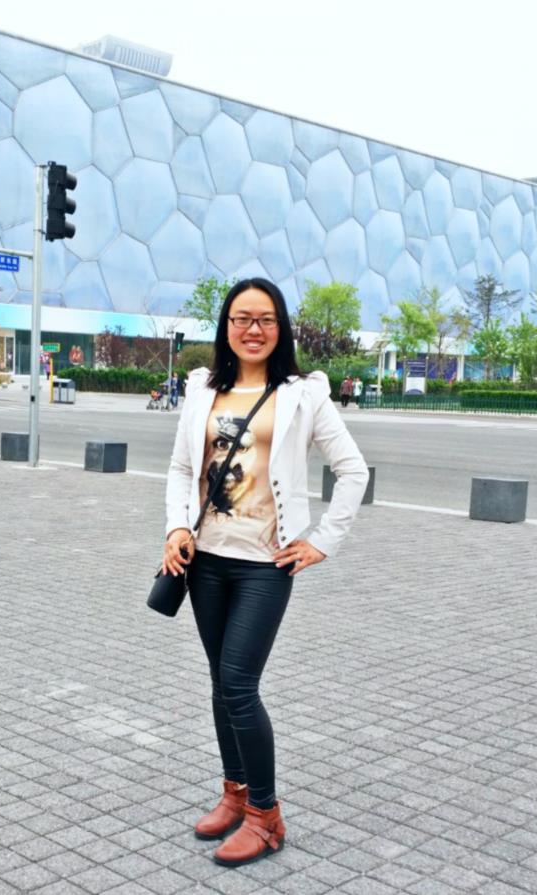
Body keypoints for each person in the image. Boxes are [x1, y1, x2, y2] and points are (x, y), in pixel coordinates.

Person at [163, 277, 369, 868]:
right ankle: (234, 793)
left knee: (238, 685)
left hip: (265, 564)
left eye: (266, 319)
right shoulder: (202, 388)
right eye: (242, 318)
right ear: (226, 326)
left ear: (281, 328)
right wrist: (176, 528)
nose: (253, 330)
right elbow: (182, 469)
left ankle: (266, 815)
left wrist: (321, 541)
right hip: (205, 560)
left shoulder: (303, 394)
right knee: (218, 682)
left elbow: (352, 470)